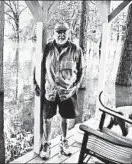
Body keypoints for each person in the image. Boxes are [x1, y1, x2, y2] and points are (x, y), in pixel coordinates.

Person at [33, 22, 85, 160]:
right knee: (47, 119)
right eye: (58, 32)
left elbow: (81, 70)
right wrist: (35, 83)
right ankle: (47, 144)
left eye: (64, 32)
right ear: (54, 33)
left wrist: (77, 86)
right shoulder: (47, 48)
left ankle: (64, 141)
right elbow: (37, 66)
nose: (61, 34)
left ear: (69, 33)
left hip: (67, 92)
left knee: (65, 119)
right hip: (50, 91)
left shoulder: (76, 49)